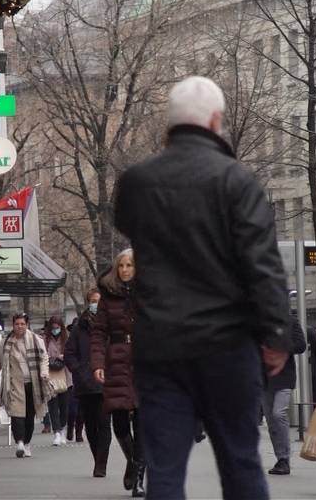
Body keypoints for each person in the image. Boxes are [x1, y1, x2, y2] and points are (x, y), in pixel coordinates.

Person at [113, 76, 292, 500]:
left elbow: (125, 224)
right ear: (215, 120)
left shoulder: (137, 182)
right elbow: (262, 266)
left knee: (166, 469)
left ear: (169, 126)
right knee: (240, 462)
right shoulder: (237, 181)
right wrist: (276, 336)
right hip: (227, 344)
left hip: (161, 345)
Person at [91, 249, 145, 497]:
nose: (125, 269)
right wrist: (98, 363)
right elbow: (98, 333)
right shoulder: (107, 297)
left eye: (130, 265)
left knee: (143, 422)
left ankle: (140, 479)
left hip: (145, 361)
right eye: (121, 265)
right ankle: (132, 461)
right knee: (120, 423)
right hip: (117, 362)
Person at [0, 313, 51, 458]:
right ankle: (19, 442)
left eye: (22, 324)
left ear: (27, 325)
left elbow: (44, 358)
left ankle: (26, 443)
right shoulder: (5, 343)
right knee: (16, 414)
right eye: (17, 324)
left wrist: (44, 373)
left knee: (29, 416)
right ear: (13, 325)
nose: (20, 326)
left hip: (32, 384)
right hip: (14, 384)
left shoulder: (35, 339)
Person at [65, 287, 112, 477]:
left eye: (99, 301)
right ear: (88, 303)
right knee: (91, 425)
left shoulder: (110, 326)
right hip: (85, 385)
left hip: (106, 383)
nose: (96, 305)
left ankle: (102, 464)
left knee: (104, 424)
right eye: (93, 301)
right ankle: (97, 458)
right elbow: (69, 354)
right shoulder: (79, 328)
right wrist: (80, 370)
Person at [264, 312, 307, 476]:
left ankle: (284, 458)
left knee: (277, 413)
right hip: (263, 376)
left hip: (283, 376)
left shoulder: (289, 320)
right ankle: (281, 458)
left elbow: (300, 345)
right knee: (270, 419)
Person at [44, 314, 72, 446]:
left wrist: (64, 356)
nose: (55, 329)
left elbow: (73, 354)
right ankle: (56, 432)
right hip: (51, 376)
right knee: (53, 406)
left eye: (58, 327)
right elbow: (42, 355)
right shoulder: (45, 340)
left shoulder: (67, 339)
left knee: (64, 407)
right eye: (53, 327)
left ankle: (62, 429)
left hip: (65, 376)